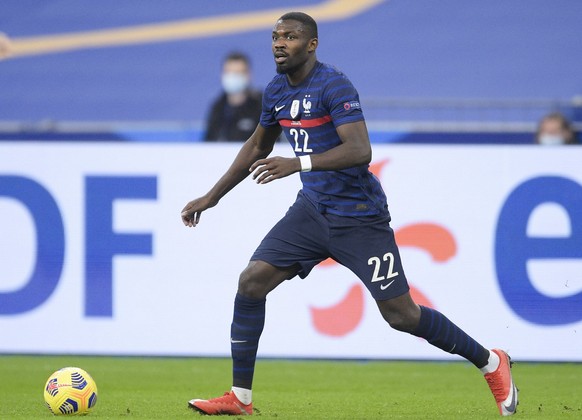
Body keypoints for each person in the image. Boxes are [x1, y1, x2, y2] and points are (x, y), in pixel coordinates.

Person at [181, 12, 518, 417]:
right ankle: (240, 398)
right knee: (252, 282)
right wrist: (212, 197)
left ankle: (491, 362)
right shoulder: (275, 91)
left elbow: (360, 150)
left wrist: (299, 164)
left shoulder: (333, 85)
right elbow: (257, 146)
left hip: (359, 217)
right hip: (312, 212)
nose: (278, 43)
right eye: (274, 36)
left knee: (401, 315)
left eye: (289, 36)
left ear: (312, 44)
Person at [204, 52, 263, 142]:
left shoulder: (261, 105)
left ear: (248, 75)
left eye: (237, 73)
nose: (232, 77)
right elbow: (208, 142)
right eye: (229, 72)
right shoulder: (218, 107)